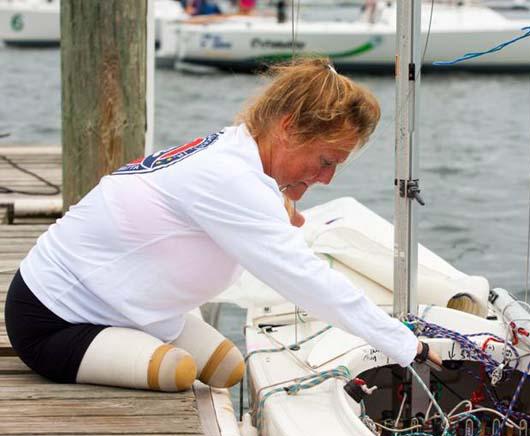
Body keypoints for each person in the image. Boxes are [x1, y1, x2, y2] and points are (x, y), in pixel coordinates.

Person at [4, 57, 442, 393]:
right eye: (325, 161)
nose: (326, 177)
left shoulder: (239, 153)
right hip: (52, 318)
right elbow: (307, 280)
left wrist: (282, 203)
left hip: (138, 311)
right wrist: (406, 345)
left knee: (228, 369)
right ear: (288, 127)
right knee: (177, 373)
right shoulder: (231, 179)